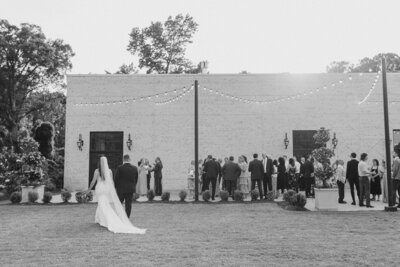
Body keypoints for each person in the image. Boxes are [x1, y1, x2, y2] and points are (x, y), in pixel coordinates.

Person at [88, 156, 145, 234]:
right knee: (127, 204)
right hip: (118, 189)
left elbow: (115, 179)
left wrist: (89, 189)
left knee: (105, 204)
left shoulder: (99, 171)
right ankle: (123, 218)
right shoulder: (133, 168)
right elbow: (112, 181)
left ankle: (107, 219)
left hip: (104, 189)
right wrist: (113, 190)